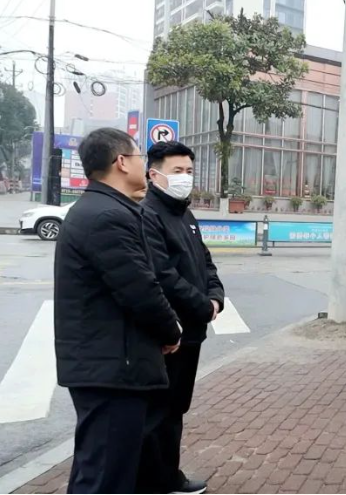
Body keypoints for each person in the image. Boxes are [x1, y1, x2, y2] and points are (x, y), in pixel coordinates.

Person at [54, 128, 182, 494]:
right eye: (140, 157)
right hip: (112, 370)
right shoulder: (107, 216)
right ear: (122, 162)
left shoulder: (102, 209)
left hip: (108, 365)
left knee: (102, 469)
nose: (144, 165)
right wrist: (171, 330)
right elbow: (140, 289)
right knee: (104, 478)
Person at [137, 141, 225, 494]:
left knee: (175, 409)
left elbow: (205, 262)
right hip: (168, 334)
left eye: (189, 171)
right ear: (154, 174)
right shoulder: (148, 215)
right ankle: (155, 482)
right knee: (158, 413)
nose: (185, 178)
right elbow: (163, 275)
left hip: (191, 332)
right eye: (177, 171)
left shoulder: (184, 214)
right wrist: (202, 306)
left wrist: (215, 296)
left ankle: (167, 477)